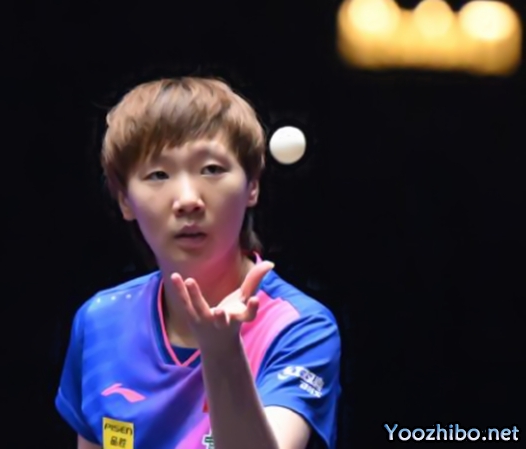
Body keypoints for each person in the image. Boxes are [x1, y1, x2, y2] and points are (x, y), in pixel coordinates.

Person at [55, 76, 341, 449]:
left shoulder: (297, 327)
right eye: (158, 175)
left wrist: (223, 353)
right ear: (125, 201)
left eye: (211, 169)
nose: (188, 200)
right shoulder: (99, 321)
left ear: (252, 185)